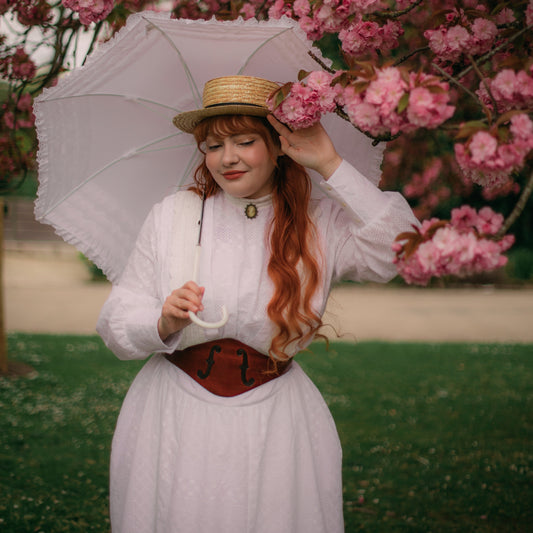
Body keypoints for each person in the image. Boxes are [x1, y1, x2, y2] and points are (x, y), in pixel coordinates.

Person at [97, 74, 419, 533]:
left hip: (275, 417)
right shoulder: (174, 215)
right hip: (175, 413)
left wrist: (329, 163)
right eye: (211, 145)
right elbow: (115, 322)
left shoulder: (320, 222)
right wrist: (162, 320)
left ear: (278, 144)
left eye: (245, 141)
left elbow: (398, 251)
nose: (226, 158)